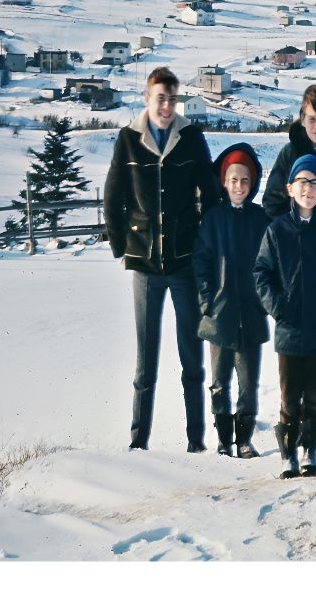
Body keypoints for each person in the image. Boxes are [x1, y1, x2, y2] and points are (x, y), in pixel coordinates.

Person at [103, 66, 218, 452]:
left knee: (192, 360)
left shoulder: (191, 137)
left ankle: (196, 443)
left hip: (185, 264)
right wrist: (122, 248)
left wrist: (204, 245)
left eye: (172, 98)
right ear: (146, 99)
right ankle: (138, 444)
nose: (166, 106)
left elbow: (211, 193)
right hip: (146, 268)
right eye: (160, 98)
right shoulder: (129, 139)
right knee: (145, 363)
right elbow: (113, 196)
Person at [254, 154, 316, 478]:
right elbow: (262, 273)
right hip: (290, 333)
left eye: (314, 183)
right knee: (290, 396)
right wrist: (278, 307)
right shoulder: (277, 231)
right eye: (301, 182)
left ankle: (310, 450)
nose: (307, 188)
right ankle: (288, 454)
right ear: (289, 188)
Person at [192, 143, 271, 458]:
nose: (239, 186)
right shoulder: (212, 220)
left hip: (251, 316)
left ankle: (245, 439)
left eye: (245, 180)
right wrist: (207, 302)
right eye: (233, 179)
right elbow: (201, 263)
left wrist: (264, 300)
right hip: (219, 317)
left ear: (252, 184)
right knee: (219, 382)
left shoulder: (260, 219)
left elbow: (270, 264)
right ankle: (224, 439)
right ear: (224, 182)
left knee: (248, 383)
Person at [262, 83, 316, 219]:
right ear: (302, 120)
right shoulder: (290, 153)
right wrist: (291, 228)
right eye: (312, 119)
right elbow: (272, 203)